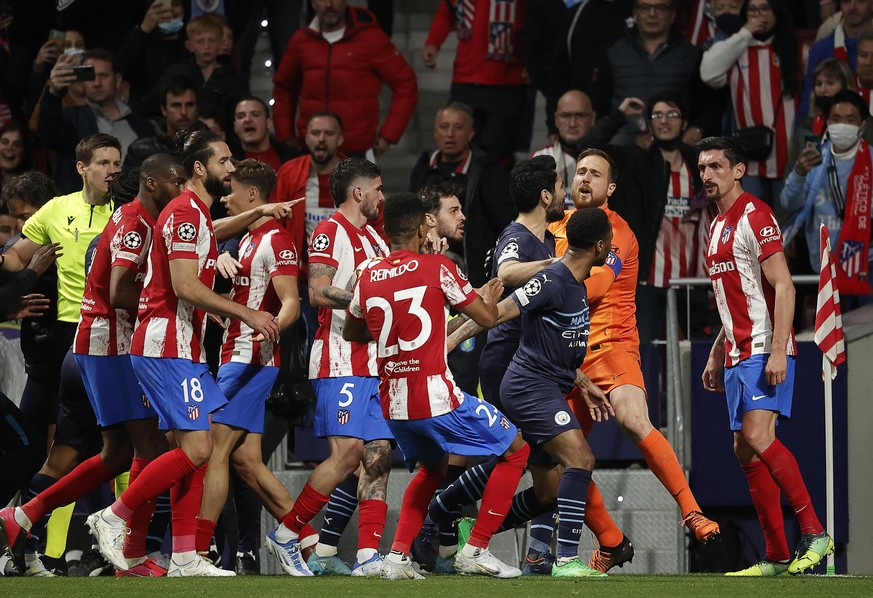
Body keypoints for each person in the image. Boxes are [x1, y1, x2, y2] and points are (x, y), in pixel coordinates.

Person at [85, 130, 281, 577]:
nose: (232, 169)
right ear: (200, 167)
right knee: (196, 448)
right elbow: (184, 286)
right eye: (225, 161)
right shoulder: (185, 212)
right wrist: (244, 313)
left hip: (180, 345)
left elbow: (202, 244)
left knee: (199, 446)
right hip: (164, 346)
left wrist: (256, 211)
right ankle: (113, 516)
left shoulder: (192, 213)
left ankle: (186, 556)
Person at [0, 154, 186, 578]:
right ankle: (130, 549)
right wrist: (171, 301)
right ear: (151, 186)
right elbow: (120, 292)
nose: (181, 194)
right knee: (150, 451)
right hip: (109, 350)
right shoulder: (137, 226)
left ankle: (25, 516)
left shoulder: (120, 223)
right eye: (175, 183)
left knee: (109, 454)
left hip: (86, 349)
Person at [342, 191, 530, 580]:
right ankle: (476, 549)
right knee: (516, 450)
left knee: (431, 469)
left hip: (394, 404)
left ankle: (396, 557)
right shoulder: (437, 267)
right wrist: (489, 295)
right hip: (436, 397)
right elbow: (487, 316)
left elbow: (351, 330)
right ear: (418, 227)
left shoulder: (367, 273)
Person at [553, 149, 720, 557]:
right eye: (580, 172)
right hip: (566, 356)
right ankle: (611, 541)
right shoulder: (554, 228)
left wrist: (541, 286)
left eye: (595, 174)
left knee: (631, 416)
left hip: (612, 346)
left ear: (610, 188)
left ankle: (693, 512)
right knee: (558, 455)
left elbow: (596, 285)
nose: (585, 179)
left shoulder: (618, 232)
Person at [698, 136, 834, 576]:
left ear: (738, 170)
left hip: (762, 346)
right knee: (743, 449)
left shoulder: (756, 216)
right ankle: (776, 555)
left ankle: (815, 531)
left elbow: (784, 285)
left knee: (758, 436)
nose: (707, 175)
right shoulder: (716, 226)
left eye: (716, 166)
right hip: (736, 351)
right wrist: (718, 352)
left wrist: (779, 349)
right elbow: (734, 296)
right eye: (702, 168)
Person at [265, 158, 392, 578]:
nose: (382, 196)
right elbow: (318, 291)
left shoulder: (376, 237)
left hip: (375, 363)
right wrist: (363, 303)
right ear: (359, 193)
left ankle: (369, 557)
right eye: (377, 188)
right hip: (340, 359)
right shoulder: (328, 231)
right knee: (347, 454)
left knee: (377, 456)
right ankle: (288, 533)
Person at [196, 159, 320, 574]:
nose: (224, 197)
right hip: (237, 351)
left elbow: (290, 302)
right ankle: (302, 536)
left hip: (248, 358)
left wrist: (266, 331)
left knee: (211, 451)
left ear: (252, 194)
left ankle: (195, 553)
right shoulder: (247, 239)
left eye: (230, 190)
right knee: (246, 461)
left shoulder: (277, 241)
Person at [577, 92, 713, 342]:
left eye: (672, 114)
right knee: (644, 353)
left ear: (684, 123)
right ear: (649, 123)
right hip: (647, 283)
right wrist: (619, 116)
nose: (664, 121)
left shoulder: (699, 166)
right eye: (657, 115)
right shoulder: (632, 161)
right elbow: (586, 147)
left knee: (699, 358)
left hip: (692, 283)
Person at [272, 0, 418, 159]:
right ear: (312, 3)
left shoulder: (371, 38)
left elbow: (406, 84)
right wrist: (285, 135)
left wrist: (388, 136)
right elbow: (284, 88)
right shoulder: (301, 40)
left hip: (357, 150)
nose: (329, 4)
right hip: (310, 150)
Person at [700, 0, 801, 205]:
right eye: (753, 10)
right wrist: (746, 31)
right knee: (752, 226)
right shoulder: (737, 51)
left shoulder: (796, 50)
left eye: (764, 8)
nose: (758, 15)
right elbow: (708, 73)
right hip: (750, 157)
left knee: (785, 229)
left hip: (789, 155)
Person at [780, 90, 873, 303]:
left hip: (866, 266)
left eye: (850, 120)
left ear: (863, 125)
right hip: (823, 268)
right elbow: (788, 202)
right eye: (836, 119)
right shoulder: (813, 162)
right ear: (828, 123)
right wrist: (799, 174)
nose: (842, 125)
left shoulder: (872, 160)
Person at [410, 102, 515, 287]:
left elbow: (505, 221)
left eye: (458, 128)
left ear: (470, 134)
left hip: (475, 271)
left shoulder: (488, 171)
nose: (450, 134)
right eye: (444, 127)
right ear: (435, 132)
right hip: (426, 265)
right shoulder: (423, 167)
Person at [588, 0, 719, 146]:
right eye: (645, 7)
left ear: (672, 15)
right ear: (635, 13)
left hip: (674, 145)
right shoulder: (615, 52)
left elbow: (711, 102)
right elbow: (599, 103)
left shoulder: (691, 54)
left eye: (660, 8)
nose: (652, 14)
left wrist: (697, 129)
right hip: (622, 144)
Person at [38, 50, 151, 193]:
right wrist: (53, 93)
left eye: (103, 76)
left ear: (117, 79)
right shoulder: (71, 118)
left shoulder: (140, 123)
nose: (96, 83)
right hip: (83, 210)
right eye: (90, 77)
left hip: (130, 208)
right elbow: (48, 136)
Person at [800, 0, 873, 119]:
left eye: (860, 1)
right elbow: (808, 103)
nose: (852, 7)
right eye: (846, 1)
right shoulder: (821, 49)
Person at [532, 90, 596, 203]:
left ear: (592, 118)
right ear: (556, 119)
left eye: (580, 116)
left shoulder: (605, 159)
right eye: (566, 116)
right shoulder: (541, 158)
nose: (572, 123)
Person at [125, 75, 200, 167]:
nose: (183, 112)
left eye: (190, 105)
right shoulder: (140, 151)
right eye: (176, 105)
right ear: (164, 110)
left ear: (197, 108)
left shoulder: (210, 147)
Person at [231, 97, 298, 170]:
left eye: (255, 114)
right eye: (241, 116)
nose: (247, 120)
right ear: (235, 127)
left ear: (269, 123)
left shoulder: (293, 157)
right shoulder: (228, 163)